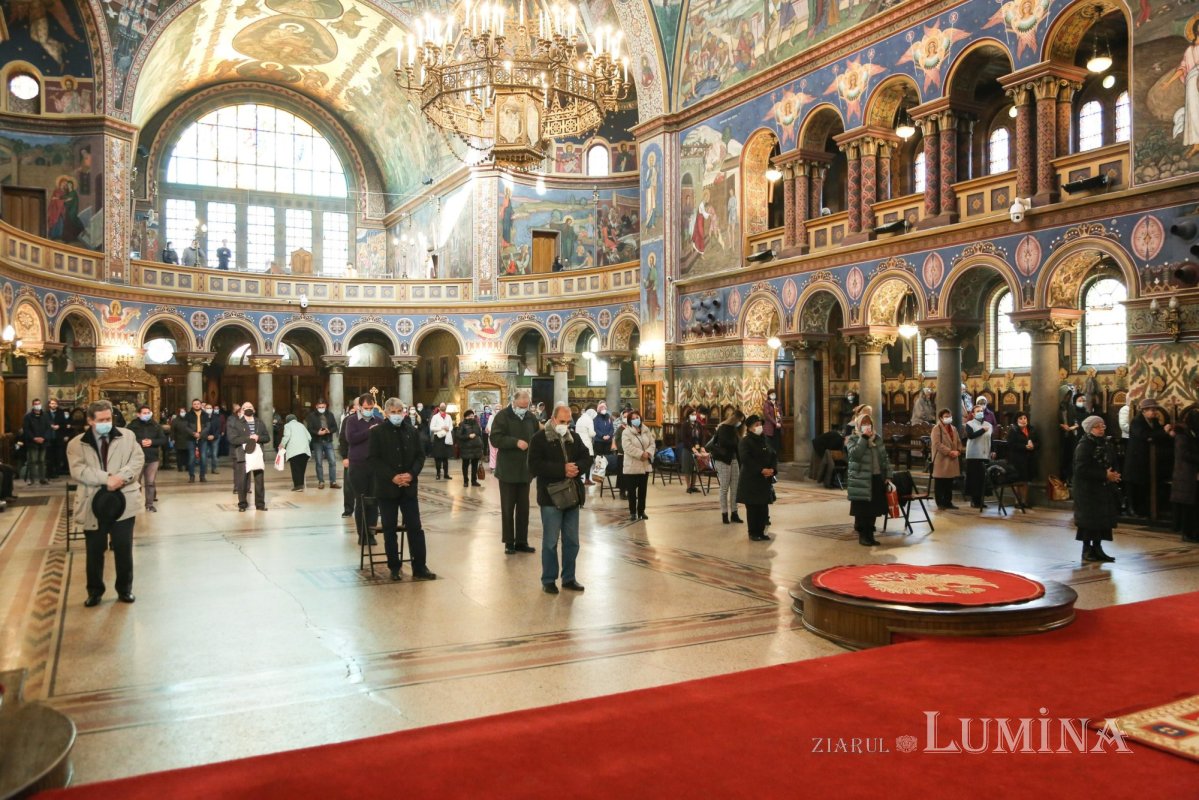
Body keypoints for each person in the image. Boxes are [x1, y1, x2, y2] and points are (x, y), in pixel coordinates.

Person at [68, 400, 144, 607]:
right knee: (94, 550)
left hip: (124, 500)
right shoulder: (76, 444)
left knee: (123, 548)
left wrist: (121, 477)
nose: (106, 423)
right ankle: (95, 591)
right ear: (90, 421)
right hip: (93, 502)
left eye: (109, 419)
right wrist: (106, 478)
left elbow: (137, 460)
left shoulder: (127, 436)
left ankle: (124, 589)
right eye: (101, 420)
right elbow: (78, 470)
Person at [369, 398, 436, 582]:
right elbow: (374, 459)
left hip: (408, 488)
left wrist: (411, 474)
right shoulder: (377, 433)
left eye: (400, 411)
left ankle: (420, 566)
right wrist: (392, 476)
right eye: (393, 412)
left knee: (415, 528)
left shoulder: (412, 431)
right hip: (387, 488)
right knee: (390, 530)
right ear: (386, 413)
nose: (397, 415)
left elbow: (420, 456)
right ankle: (394, 567)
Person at [529, 402, 588, 594]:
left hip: (571, 496)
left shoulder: (574, 438)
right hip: (550, 498)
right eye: (562, 421)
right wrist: (561, 469)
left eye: (569, 421)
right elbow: (534, 466)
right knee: (550, 541)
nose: (566, 424)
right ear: (553, 419)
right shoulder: (539, 438)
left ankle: (569, 578)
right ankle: (548, 579)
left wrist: (575, 468)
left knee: (572, 541)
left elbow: (587, 457)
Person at [490, 389, 541, 554]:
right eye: (524, 399)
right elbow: (495, 438)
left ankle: (521, 541)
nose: (527, 402)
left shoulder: (530, 417)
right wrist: (515, 442)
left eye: (528, 399)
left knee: (524, 509)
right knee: (507, 507)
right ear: (515, 400)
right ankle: (509, 542)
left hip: (524, 470)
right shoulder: (503, 416)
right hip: (507, 470)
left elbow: (537, 437)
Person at [1072, 416, 1120, 563]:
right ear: (1089, 429)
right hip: (1087, 489)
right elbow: (1081, 469)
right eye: (1097, 427)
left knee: (1101, 520)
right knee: (1089, 521)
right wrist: (1104, 475)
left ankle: (1098, 549)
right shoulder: (1085, 445)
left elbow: (1112, 460)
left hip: (1102, 487)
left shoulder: (1105, 443)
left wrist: (1113, 474)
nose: (1101, 429)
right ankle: (1087, 550)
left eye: (1102, 426)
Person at [845, 414, 895, 547]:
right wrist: (864, 438)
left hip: (876, 477)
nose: (867, 425)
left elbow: (884, 458)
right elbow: (855, 455)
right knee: (863, 510)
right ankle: (863, 536)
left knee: (873, 509)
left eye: (869, 422)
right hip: (861, 479)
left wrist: (888, 475)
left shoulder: (877, 439)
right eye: (864, 422)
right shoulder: (853, 439)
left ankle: (870, 535)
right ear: (858, 424)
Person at [1125, 399, 1173, 518]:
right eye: (1152, 410)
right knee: (1135, 487)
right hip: (1136, 460)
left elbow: (1156, 436)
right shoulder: (1137, 422)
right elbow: (1145, 436)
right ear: (1144, 411)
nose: (1155, 412)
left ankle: (1144, 510)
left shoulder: (1154, 421)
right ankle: (1132, 510)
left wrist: (1167, 434)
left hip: (1148, 460)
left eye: (1155, 409)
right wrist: (1163, 431)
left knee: (1145, 487)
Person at [345, 394, 382, 545]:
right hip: (357, 465)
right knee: (361, 500)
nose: (368, 410)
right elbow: (351, 438)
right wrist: (369, 431)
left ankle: (371, 533)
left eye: (371, 408)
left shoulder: (379, 420)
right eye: (366, 408)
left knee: (373, 501)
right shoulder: (351, 421)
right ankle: (362, 534)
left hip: (374, 466)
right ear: (360, 407)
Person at [737, 414, 777, 542]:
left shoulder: (765, 440)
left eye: (760, 424)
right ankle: (753, 532)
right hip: (751, 479)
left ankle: (761, 531)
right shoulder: (745, 441)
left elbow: (773, 455)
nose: (760, 427)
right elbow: (745, 459)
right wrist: (761, 469)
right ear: (749, 428)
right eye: (756, 425)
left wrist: (772, 469)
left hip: (764, 479)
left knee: (763, 507)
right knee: (753, 507)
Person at [227, 401, 271, 512]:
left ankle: (260, 504)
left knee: (259, 481)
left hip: (257, 454)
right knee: (242, 481)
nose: (248, 408)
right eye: (245, 407)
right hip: (243, 454)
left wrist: (258, 438)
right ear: (241, 410)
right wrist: (249, 438)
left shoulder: (259, 422)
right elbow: (232, 439)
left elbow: (267, 437)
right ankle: (242, 505)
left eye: (250, 407)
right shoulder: (236, 423)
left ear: (254, 409)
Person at [128, 404, 165, 513]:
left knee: (150, 482)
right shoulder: (132, 426)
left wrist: (152, 442)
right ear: (138, 414)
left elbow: (163, 440)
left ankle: (149, 504)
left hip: (152, 458)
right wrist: (140, 442)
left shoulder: (155, 425)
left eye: (148, 413)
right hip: (137, 458)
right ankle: (136, 504)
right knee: (136, 482)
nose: (147, 415)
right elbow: (128, 440)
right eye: (144, 413)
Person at [1169, 409, 1199, 543]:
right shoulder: (1182, 435)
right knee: (1188, 505)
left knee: (1194, 504)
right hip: (1185, 473)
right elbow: (1184, 454)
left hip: (1192, 473)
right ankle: (1187, 533)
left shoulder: (1192, 433)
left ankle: (1194, 532)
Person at [620, 410, 655, 522]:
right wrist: (641, 454)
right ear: (630, 420)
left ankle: (641, 511)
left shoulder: (646, 429)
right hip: (632, 466)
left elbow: (652, 443)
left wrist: (648, 453)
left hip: (644, 466)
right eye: (633, 418)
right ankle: (633, 512)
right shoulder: (626, 432)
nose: (636, 419)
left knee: (642, 491)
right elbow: (627, 447)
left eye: (637, 417)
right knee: (631, 492)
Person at [713, 409, 745, 524]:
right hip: (723, 460)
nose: (740, 423)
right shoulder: (723, 428)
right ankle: (724, 513)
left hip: (734, 460)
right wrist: (737, 443)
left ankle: (734, 513)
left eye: (742, 422)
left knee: (735, 488)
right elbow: (725, 443)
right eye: (739, 421)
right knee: (724, 488)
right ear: (734, 418)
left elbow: (737, 448)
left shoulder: (736, 430)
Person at [930, 408, 962, 510]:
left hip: (952, 459)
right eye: (946, 416)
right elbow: (937, 444)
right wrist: (949, 452)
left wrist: (958, 450)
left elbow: (958, 441)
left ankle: (948, 502)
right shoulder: (937, 428)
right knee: (940, 482)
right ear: (941, 418)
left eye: (949, 416)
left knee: (949, 482)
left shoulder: (953, 428)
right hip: (941, 459)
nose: (948, 418)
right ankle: (940, 502)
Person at [1006, 412, 1039, 509]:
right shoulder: (1013, 430)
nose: (1023, 420)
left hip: (1029, 459)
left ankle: (1024, 501)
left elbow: (1038, 442)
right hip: (1017, 459)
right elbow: (1011, 445)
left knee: (1025, 481)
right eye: (1021, 418)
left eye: (1025, 418)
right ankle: (1017, 501)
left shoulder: (1031, 429)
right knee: (1018, 481)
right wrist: (1024, 447)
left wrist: (1033, 446)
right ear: (1016, 420)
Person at [964, 404, 993, 509]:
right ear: (973, 413)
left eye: (981, 411)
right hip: (973, 454)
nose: (980, 412)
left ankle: (980, 500)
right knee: (974, 478)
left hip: (985, 454)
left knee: (982, 479)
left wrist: (993, 450)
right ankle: (974, 500)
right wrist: (982, 430)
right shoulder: (969, 424)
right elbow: (970, 436)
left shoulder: (989, 425)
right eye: (977, 411)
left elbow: (990, 438)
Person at [306, 400, 340, 489]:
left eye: (323, 406)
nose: (321, 408)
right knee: (319, 462)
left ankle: (333, 481)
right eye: (320, 407)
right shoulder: (312, 416)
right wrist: (317, 432)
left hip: (328, 440)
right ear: (316, 406)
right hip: (317, 442)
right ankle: (321, 481)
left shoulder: (330, 415)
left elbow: (335, 427)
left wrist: (329, 431)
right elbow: (309, 428)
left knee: (332, 461)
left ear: (325, 406)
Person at [1060, 393, 1089, 482]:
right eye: (1080, 401)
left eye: (1084, 401)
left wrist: (1077, 425)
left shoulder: (1087, 412)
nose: (1082, 402)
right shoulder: (1071, 410)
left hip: (1083, 437)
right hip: (1072, 438)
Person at [22, 399, 52, 485]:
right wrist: (34, 438)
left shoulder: (45, 416)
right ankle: (32, 480)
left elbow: (48, 428)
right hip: (32, 442)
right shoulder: (28, 417)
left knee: (42, 460)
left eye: (39, 404)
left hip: (43, 441)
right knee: (33, 460)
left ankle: (42, 479)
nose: (37, 405)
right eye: (35, 404)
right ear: (33, 405)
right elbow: (26, 429)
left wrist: (44, 438)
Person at [280, 414, 312, 491]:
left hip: (294, 451)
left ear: (287, 420)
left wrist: (282, 445)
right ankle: (301, 485)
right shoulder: (301, 425)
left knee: (295, 469)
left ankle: (298, 486)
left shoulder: (287, 425)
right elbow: (309, 437)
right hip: (305, 451)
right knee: (302, 469)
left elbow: (287, 436)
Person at [182, 398, 208, 483]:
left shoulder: (205, 415)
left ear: (201, 405)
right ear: (192, 405)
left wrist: (201, 434)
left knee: (203, 457)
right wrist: (194, 433)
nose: (196, 405)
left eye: (198, 404)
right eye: (195, 404)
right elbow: (186, 427)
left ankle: (202, 476)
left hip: (202, 438)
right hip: (191, 438)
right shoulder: (188, 415)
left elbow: (208, 426)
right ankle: (191, 476)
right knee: (192, 458)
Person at [679, 409, 705, 494]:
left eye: (695, 414)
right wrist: (692, 448)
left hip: (697, 448)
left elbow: (702, 436)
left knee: (695, 468)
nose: (694, 416)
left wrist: (702, 447)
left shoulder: (698, 424)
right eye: (692, 414)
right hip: (687, 449)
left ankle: (693, 486)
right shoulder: (685, 425)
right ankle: (688, 486)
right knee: (688, 468)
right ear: (688, 415)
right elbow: (684, 438)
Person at [457, 408, 484, 487]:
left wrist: (481, 444)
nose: (472, 417)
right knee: (465, 465)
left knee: (475, 465)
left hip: (476, 448)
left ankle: (474, 481)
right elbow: (458, 435)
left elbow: (479, 433)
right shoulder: (462, 424)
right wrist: (468, 436)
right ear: (465, 417)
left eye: (472, 416)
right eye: (469, 416)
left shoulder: (476, 423)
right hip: (466, 448)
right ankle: (465, 481)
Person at [429, 403, 455, 480]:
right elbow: (432, 428)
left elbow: (451, 426)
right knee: (438, 457)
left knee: (445, 458)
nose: (443, 407)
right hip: (438, 438)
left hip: (446, 437)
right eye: (442, 406)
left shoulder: (449, 416)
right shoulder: (435, 417)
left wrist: (448, 428)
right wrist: (441, 427)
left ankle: (446, 474)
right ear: (439, 408)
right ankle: (438, 474)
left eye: (444, 406)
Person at [46, 398, 69, 479]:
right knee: (49, 456)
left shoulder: (61, 413)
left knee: (58, 456)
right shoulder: (46, 413)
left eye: (55, 403)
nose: (53, 405)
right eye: (52, 403)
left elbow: (65, 424)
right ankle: (49, 473)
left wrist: (59, 426)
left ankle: (56, 472)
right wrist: (50, 426)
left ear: (57, 405)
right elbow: (44, 423)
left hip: (58, 437)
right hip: (49, 437)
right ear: (49, 404)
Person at [575, 404, 597, 485]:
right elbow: (591, 433)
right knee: (589, 461)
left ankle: (579, 478)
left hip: (579, 443)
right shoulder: (589, 420)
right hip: (587, 443)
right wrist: (595, 433)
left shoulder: (579, 419)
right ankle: (587, 479)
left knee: (580, 461)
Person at [201, 402, 221, 475]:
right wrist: (206, 436)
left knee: (214, 454)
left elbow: (219, 428)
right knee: (204, 454)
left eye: (210, 408)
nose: (209, 409)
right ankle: (204, 469)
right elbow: (201, 428)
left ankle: (214, 468)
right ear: (204, 409)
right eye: (207, 408)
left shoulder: (216, 417)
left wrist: (214, 436)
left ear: (212, 409)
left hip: (215, 438)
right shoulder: (202, 417)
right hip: (205, 438)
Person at [762, 390, 783, 454]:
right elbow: (767, 415)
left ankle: (775, 459)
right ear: (768, 395)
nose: (773, 395)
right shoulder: (766, 404)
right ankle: (770, 460)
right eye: (771, 394)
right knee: (769, 445)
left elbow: (781, 413)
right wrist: (775, 423)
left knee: (777, 444)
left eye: (774, 393)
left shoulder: (777, 404)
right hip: (770, 427)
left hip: (777, 427)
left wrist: (780, 421)